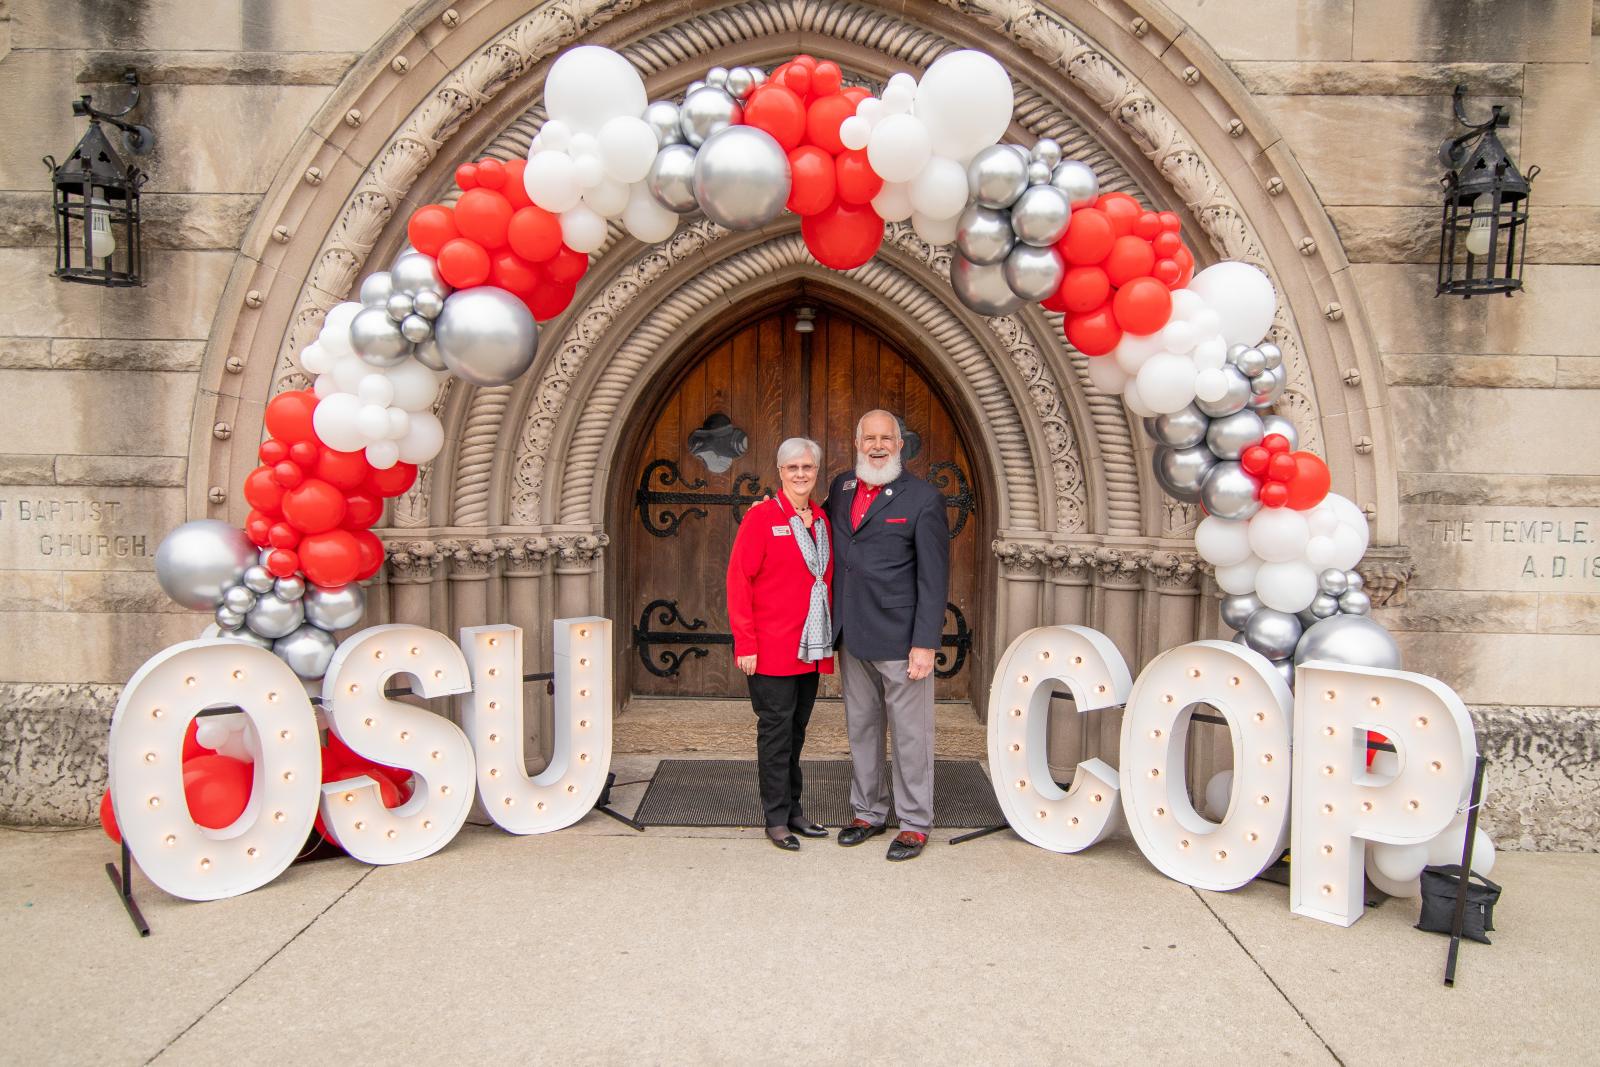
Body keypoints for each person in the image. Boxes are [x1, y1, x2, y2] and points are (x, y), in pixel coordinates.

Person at [824, 410, 949, 862]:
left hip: (901, 639)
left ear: (900, 444)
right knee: (863, 727)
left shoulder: (923, 499)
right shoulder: (841, 488)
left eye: (886, 438)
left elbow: (934, 579)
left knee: (911, 734)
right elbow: (815, 527)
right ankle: (868, 812)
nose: (877, 446)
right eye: (869, 438)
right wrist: (771, 509)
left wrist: (926, 643)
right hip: (852, 633)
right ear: (857, 443)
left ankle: (914, 822)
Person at [725, 437, 835, 851]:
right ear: (780, 472)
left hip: (809, 650)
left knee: (797, 732)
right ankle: (775, 819)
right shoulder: (761, 518)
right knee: (775, 735)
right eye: (792, 468)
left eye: (807, 467)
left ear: (816, 471)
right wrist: (745, 643)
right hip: (769, 651)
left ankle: (794, 810)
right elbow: (738, 581)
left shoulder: (822, 521)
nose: (801, 474)